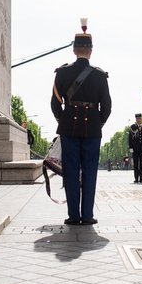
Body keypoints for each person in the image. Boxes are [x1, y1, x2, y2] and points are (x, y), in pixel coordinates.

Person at [50, 19, 111, 225]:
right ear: (90, 51)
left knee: (71, 171)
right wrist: (96, 122)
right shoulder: (100, 75)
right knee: (90, 172)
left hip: (69, 129)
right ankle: (87, 215)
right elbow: (107, 107)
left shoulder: (63, 72)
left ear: (75, 50)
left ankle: (73, 215)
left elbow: (55, 104)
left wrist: (64, 120)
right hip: (92, 130)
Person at [128, 113, 142, 183]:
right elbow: (130, 138)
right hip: (135, 149)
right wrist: (130, 147)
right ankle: (136, 178)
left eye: (139, 118)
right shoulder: (132, 127)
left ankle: (141, 178)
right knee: (136, 163)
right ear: (136, 119)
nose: (138, 120)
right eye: (137, 119)